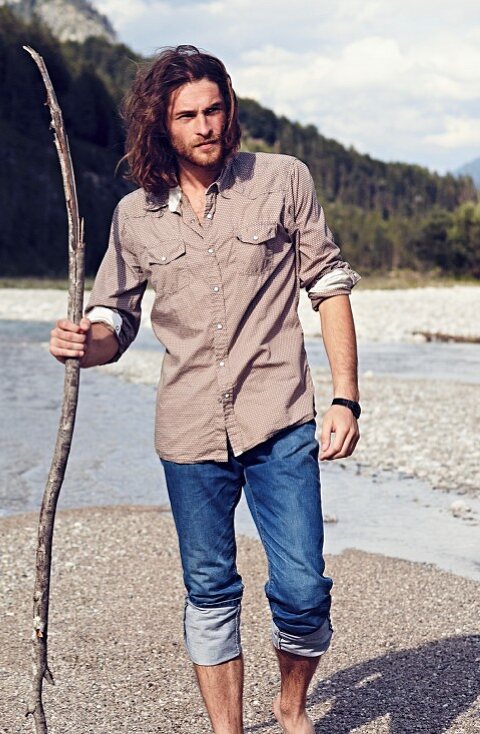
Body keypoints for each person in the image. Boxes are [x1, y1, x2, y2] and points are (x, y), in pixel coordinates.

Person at [48, 46, 362, 734]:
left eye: (214, 109)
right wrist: (83, 344)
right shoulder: (135, 214)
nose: (205, 125)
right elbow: (114, 319)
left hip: (280, 422)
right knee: (211, 590)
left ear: (231, 110)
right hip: (188, 433)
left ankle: (290, 706)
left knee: (304, 591)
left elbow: (328, 285)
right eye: (188, 115)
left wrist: (345, 398)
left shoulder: (283, 180)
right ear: (161, 126)